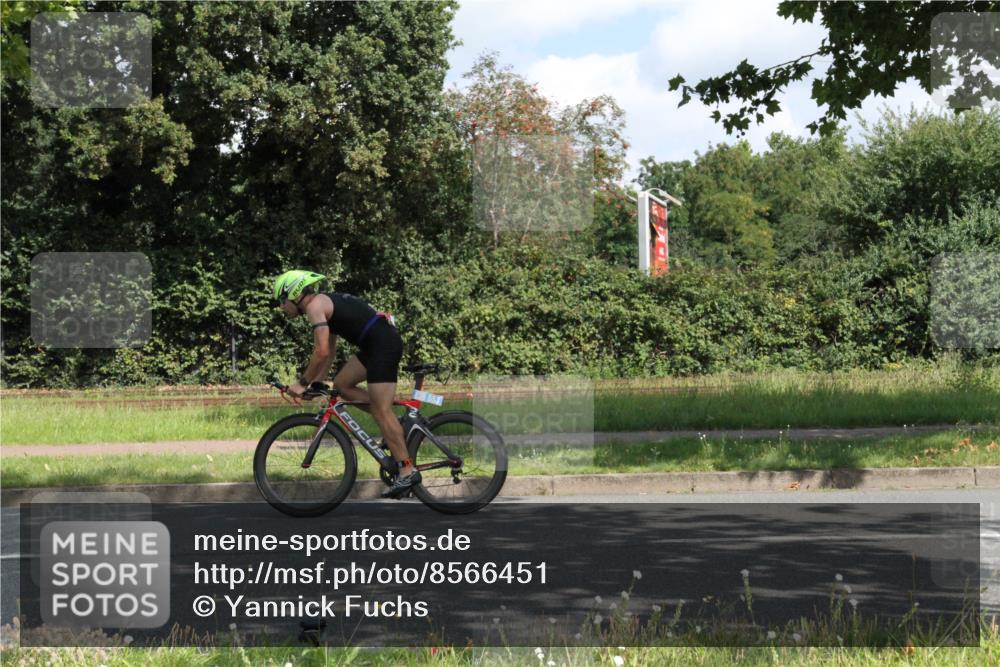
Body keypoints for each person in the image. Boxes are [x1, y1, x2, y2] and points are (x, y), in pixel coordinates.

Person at [272, 269, 419, 498]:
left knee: (381, 411)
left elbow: (319, 352)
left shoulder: (314, 306)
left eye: (282, 300)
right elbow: (329, 352)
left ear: (294, 294)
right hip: (374, 345)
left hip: (383, 346)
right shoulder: (323, 304)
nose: (282, 307)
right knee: (342, 384)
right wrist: (318, 382)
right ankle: (393, 426)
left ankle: (407, 470)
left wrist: (301, 383)